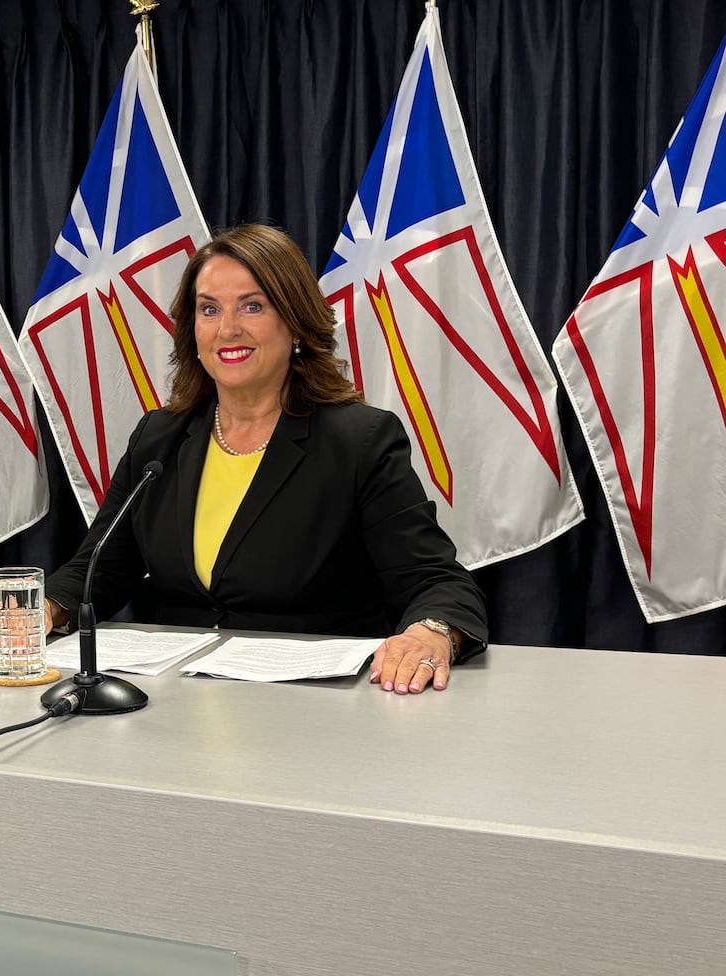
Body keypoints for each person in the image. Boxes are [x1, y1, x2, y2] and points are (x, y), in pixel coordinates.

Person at [44, 225, 487, 695]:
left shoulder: (359, 441)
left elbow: (435, 580)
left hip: (314, 710)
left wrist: (431, 631)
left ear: (294, 321)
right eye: (209, 309)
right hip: (174, 705)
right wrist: (47, 606)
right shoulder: (159, 438)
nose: (227, 329)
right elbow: (100, 569)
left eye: (252, 306)